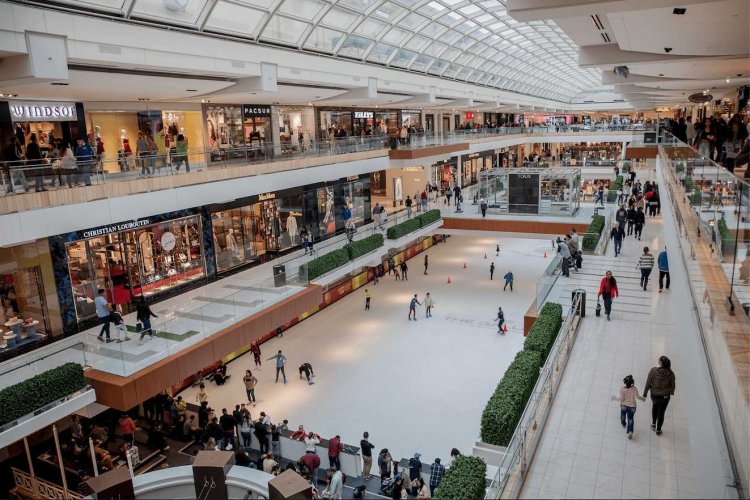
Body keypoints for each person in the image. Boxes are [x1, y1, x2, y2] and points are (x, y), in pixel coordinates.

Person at [643, 355, 676, 435]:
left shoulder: (653, 371)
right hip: (665, 397)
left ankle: (653, 424)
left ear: (661, 363)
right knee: (661, 412)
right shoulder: (671, 374)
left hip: (654, 395)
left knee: (655, 407)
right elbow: (673, 385)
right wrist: (671, 393)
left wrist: (645, 394)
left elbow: (648, 383)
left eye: (659, 360)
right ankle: (658, 429)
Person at [619, 374, 646, 439]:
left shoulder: (622, 389)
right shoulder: (634, 388)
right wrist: (642, 399)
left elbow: (621, 399)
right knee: (630, 418)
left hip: (624, 405)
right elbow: (637, 397)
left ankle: (623, 423)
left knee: (623, 415)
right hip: (632, 407)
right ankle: (630, 431)